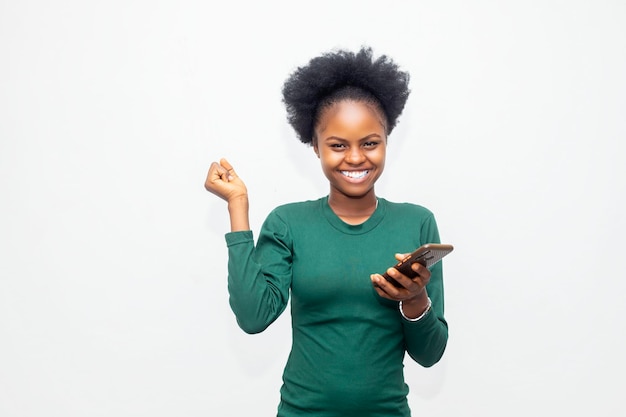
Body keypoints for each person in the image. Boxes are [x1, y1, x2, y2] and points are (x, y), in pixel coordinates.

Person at [204, 46, 449, 417]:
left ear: (386, 141)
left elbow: (430, 355)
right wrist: (237, 206)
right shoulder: (289, 223)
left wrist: (414, 300)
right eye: (337, 145)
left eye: (370, 143)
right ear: (315, 145)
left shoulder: (416, 222)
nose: (354, 158)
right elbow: (253, 318)